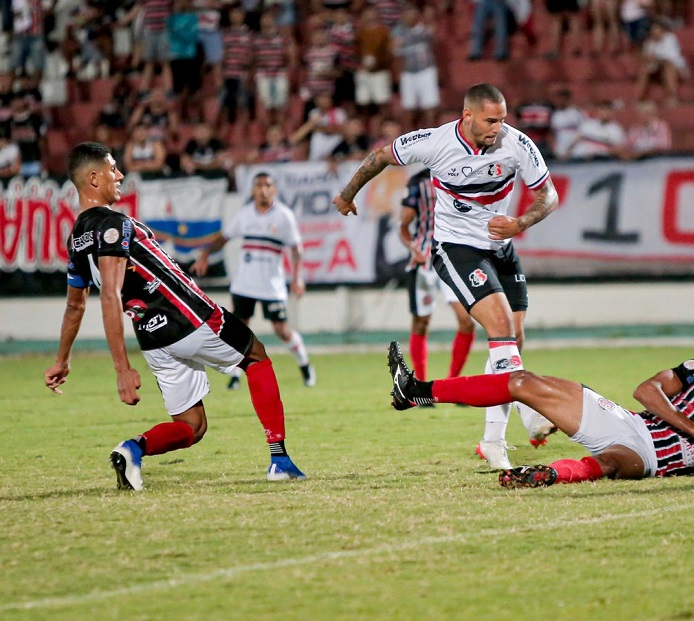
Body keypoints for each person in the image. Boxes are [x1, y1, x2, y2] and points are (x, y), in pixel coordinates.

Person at [44, 142, 306, 490]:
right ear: (93, 177)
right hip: (187, 315)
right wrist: (121, 369)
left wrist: (62, 360)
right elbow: (110, 293)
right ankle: (280, 460)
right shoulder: (113, 225)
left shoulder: (76, 239)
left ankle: (132, 450)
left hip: (153, 339)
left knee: (192, 426)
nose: (120, 174)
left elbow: (75, 305)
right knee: (256, 356)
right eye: (112, 169)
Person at [332, 83, 560, 470]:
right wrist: (348, 193)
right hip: (457, 247)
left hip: (501, 246)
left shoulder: (516, 144)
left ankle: (492, 441)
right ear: (467, 116)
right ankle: (525, 414)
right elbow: (380, 157)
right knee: (502, 329)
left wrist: (521, 222)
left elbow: (549, 195)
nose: (499, 128)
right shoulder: (435, 142)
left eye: (503, 119)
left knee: (514, 339)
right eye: (491, 120)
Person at [386, 337, 694, 488]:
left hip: (649, 459)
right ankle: (415, 391)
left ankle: (547, 474)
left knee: (608, 464)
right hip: (628, 422)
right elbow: (646, 390)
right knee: (522, 382)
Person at [192, 171, 315, 389]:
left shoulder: (284, 216)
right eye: (259, 185)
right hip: (244, 284)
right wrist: (205, 255)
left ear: (273, 189)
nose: (263, 189)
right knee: (239, 330)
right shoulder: (245, 214)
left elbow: (297, 248)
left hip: (271, 285)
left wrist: (297, 278)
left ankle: (305, 366)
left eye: (267, 185)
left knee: (282, 330)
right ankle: (237, 377)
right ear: (253, 190)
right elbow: (224, 237)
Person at [399, 168, 477, 382]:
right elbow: (403, 226)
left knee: (467, 321)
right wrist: (414, 250)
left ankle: (452, 382)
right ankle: (421, 386)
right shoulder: (418, 182)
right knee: (421, 322)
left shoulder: (463, 174)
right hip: (424, 260)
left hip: (453, 259)